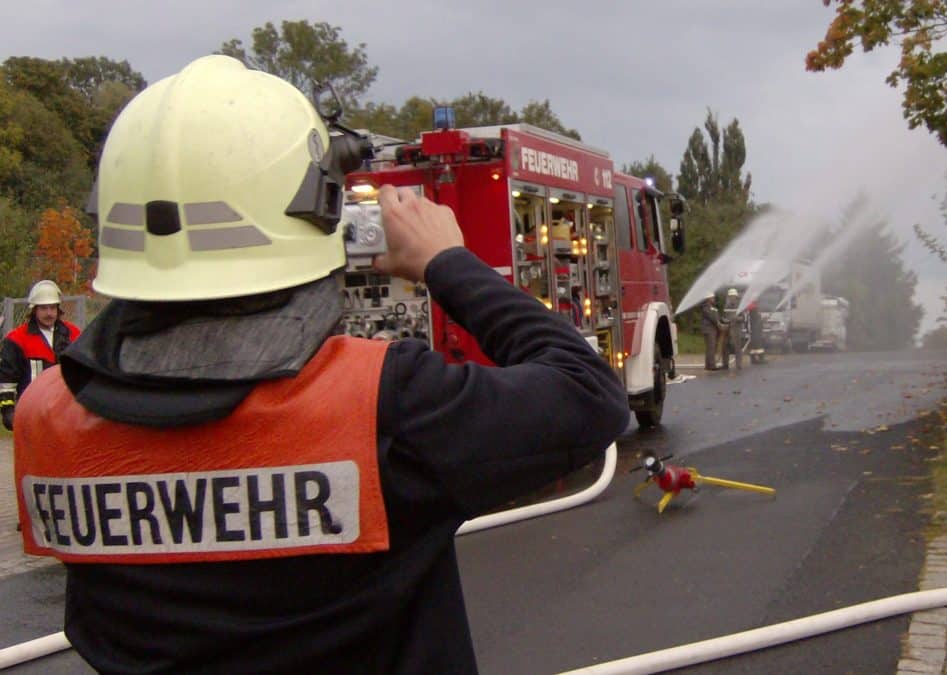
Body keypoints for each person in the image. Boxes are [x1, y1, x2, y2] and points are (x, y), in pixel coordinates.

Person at [14, 55, 629, 674]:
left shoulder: (47, 420)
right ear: (320, 206)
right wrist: (448, 262)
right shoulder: (384, 408)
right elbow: (588, 392)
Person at [0, 279, 81, 430]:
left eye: (52, 308)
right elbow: (6, 381)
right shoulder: (17, 339)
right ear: (34, 310)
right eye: (43, 308)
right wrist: (8, 411)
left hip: (67, 415)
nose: (49, 313)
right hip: (32, 414)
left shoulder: (73, 334)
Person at [720, 287, 743, 371]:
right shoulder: (726, 305)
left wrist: (736, 318)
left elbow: (742, 318)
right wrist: (724, 321)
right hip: (727, 329)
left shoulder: (740, 306)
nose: (731, 298)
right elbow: (722, 317)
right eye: (730, 296)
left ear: (736, 297)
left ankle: (739, 365)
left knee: (737, 347)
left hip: (736, 330)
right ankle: (725, 364)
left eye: (733, 296)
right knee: (725, 347)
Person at [700, 295, 723, 370]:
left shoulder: (713, 307)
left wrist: (723, 321)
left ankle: (708, 365)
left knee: (711, 348)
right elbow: (712, 317)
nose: (714, 299)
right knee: (711, 348)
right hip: (708, 329)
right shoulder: (706, 307)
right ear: (708, 298)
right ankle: (712, 366)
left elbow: (717, 317)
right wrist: (719, 324)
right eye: (712, 298)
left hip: (713, 329)